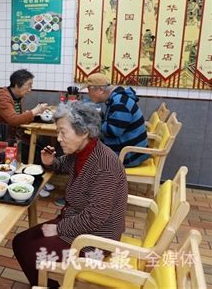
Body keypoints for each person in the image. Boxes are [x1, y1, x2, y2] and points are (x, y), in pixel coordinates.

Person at [12, 101, 128, 287]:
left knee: (30, 250)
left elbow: (95, 218)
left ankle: (46, 285)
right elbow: (64, 164)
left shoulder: (105, 166)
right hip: (76, 221)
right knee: (20, 241)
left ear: (84, 132)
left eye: (63, 132)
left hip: (96, 238)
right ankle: (45, 284)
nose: (58, 138)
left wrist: (59, 228)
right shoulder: (83, 151)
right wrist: (50, 162)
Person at [80, 72, 149, 167]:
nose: (88, 94)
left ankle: (98, 181)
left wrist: (92, 121)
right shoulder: (117, 98)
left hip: (128, 155)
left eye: (89, 90)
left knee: (84, 151)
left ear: (100, 90)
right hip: (129, 149)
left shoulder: (120, 104)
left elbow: (112, 131)